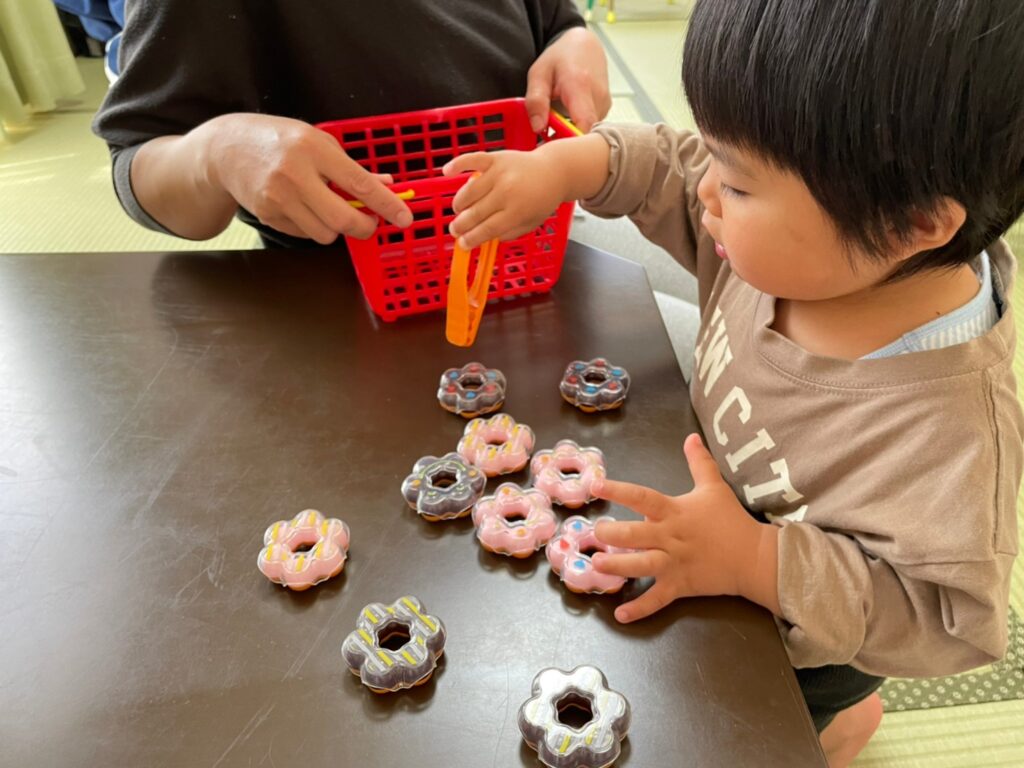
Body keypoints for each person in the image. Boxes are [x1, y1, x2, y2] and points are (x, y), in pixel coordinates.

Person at [440, 1, 1024, 765]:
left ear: (912, 224)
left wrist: (754, 561)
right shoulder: (808, 245)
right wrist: (566, 166)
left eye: (741, 184)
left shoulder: (952, 437)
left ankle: (846, 722)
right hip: (713, 507)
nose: (708, 191)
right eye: (718, 155)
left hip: (799, 638)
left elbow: (945, 619)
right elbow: (673, 168)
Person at [92, 1, 609, 248]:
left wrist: (573, 40)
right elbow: (137, 157)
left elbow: (555, 22)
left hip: (532, 252)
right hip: (339, 301)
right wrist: (214, 152)